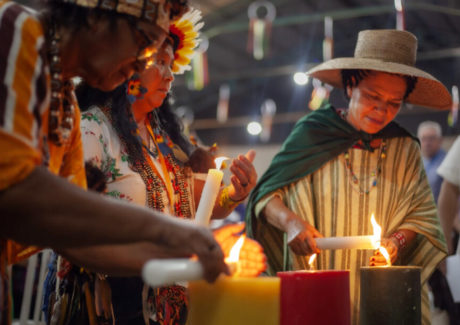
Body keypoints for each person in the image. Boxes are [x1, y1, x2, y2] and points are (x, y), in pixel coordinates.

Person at [0, 1, 230, 323]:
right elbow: (16, 188)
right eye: (143, 43)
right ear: (99, 17)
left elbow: (77, 239)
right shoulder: (18, 29)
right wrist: (168, 231)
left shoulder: (66, 105)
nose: (138, 67)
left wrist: (177, 260)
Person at [44, 10, 263, 325]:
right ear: (128, 65)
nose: (170, 74)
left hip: (171, 302)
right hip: (111, 302)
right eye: (158, 61)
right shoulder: (94, 129)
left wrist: (233, 192)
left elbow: (200, 207)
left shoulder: (168, 139)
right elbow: (71, 220)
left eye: (171, 64)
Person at [246, 29, 450, 325]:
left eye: (394, 102)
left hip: (386, 297)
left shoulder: (404, 148)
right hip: (318, 288)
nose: (381, 110)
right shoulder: (312, 134)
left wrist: (394, 242)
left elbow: (422, 216)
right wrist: (290, 222)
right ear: (351, 85)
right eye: (372, 96)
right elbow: (264, 197)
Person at [418, 121, 446, 202]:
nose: (427, 143)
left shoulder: (446, 163)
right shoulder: (418, 162)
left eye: (431, 139)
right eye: (424, 139)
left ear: (440, 140)